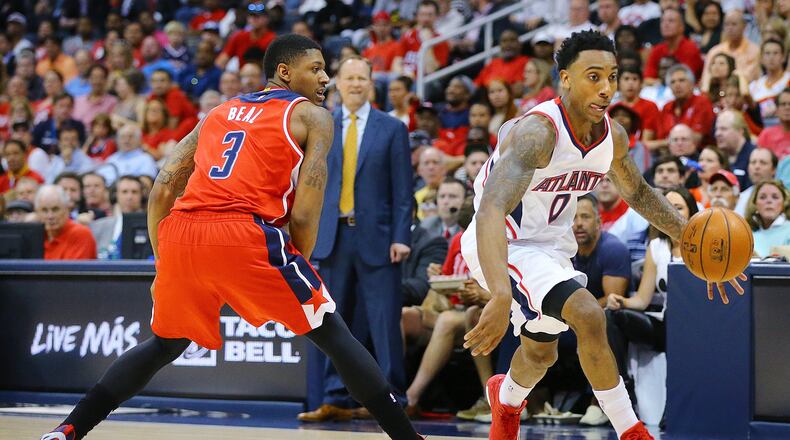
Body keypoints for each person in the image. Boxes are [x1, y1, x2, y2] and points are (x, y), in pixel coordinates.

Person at [40, 34, 422, 440]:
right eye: (316, 69)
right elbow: (307, 209)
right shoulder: (314, 116)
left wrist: (163, 259)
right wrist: (299, 261)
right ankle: (407, 437)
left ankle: (69, 429)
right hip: (245, 232)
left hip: (183, 233)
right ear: (284, 72)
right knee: (331, 332)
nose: (325, 78)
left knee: (165, 344)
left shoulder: (218, 112)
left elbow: (163, 187)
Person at [459, 30, 744, 440]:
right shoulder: (538, 133)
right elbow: (490, 209)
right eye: (593, 77)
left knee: (540, 353)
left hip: (551, 247)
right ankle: (632, 431)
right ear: (565, 79)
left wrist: (691, 243)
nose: (607, 88)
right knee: (589, 314)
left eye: (612, 76)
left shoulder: (612, 137)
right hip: (503, 239)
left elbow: (638, 193)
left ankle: (504, 401)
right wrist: (500, 294)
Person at [301, 55, 413, 422]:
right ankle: (335, 396)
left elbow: (403, 190)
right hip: (331, 237)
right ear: (337, 82)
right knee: (332, 320)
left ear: (371, 83)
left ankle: (393, 397)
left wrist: (401, 236)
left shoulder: (392, 128)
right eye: (348, 78)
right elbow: (309, 184)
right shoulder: (321, 124)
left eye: (361, 78)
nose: (355, 84)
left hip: (379, 238)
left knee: (385, 323)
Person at [605, 187, 699, 421]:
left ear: (691, 212)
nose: (672, 213)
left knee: (681, 330)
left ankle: (674, 409)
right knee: (611, 316)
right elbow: (642, 300)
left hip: (698, 328)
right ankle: (624, 388)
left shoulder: (706, 245)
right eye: (666, 208)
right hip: (667, 326)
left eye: (678, 208)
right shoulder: (656, 247)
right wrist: (622, 301)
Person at [36, 184, 97, 260]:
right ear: (37, 212)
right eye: (44, 210)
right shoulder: (35, 235)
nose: (50, 216)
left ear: (67, 210)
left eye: (55, 209)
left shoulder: (81, 234)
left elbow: (74, 267)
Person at [745, 180, 790, 257]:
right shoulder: (747, 233)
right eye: (763, 197)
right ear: (754, 204)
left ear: (784, 203)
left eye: (775, 197)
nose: (769, 201)